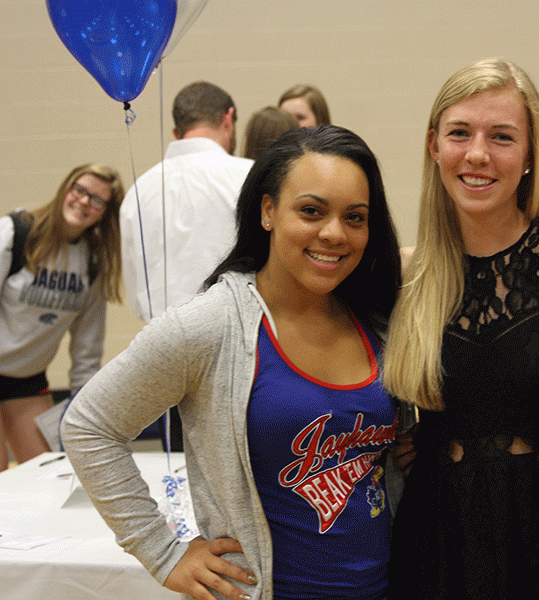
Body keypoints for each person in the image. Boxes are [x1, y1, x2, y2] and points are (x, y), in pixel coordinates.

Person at [62, 125, 403, 600]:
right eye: (311, 211)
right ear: (268, 210)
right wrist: (162, 552)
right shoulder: (211, 326)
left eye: (355, 217)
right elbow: (88, 426)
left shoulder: (377, 320)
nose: (334, 233)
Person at [382, 58, 539, 599]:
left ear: (529, 154)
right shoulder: (404, 275)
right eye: (460, 133)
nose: (477, 154)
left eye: (501, 137)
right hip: (434, 541)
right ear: (434, 145)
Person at [0, 163, 123, 470]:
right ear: (65, 189)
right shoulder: (15, 232)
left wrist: (88, 410)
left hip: (26, 380)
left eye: (97, 200)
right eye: (79, 190)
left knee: (50, 475)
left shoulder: (91, 263)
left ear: (105, 213)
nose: (83, 202)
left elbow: (87, 349)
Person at [120, 81, 254, 323]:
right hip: (235, 337)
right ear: (228, 118)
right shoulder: (248, 177)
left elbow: (137, 295)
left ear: (176, 133)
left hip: (159, 343)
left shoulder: (138, 192)